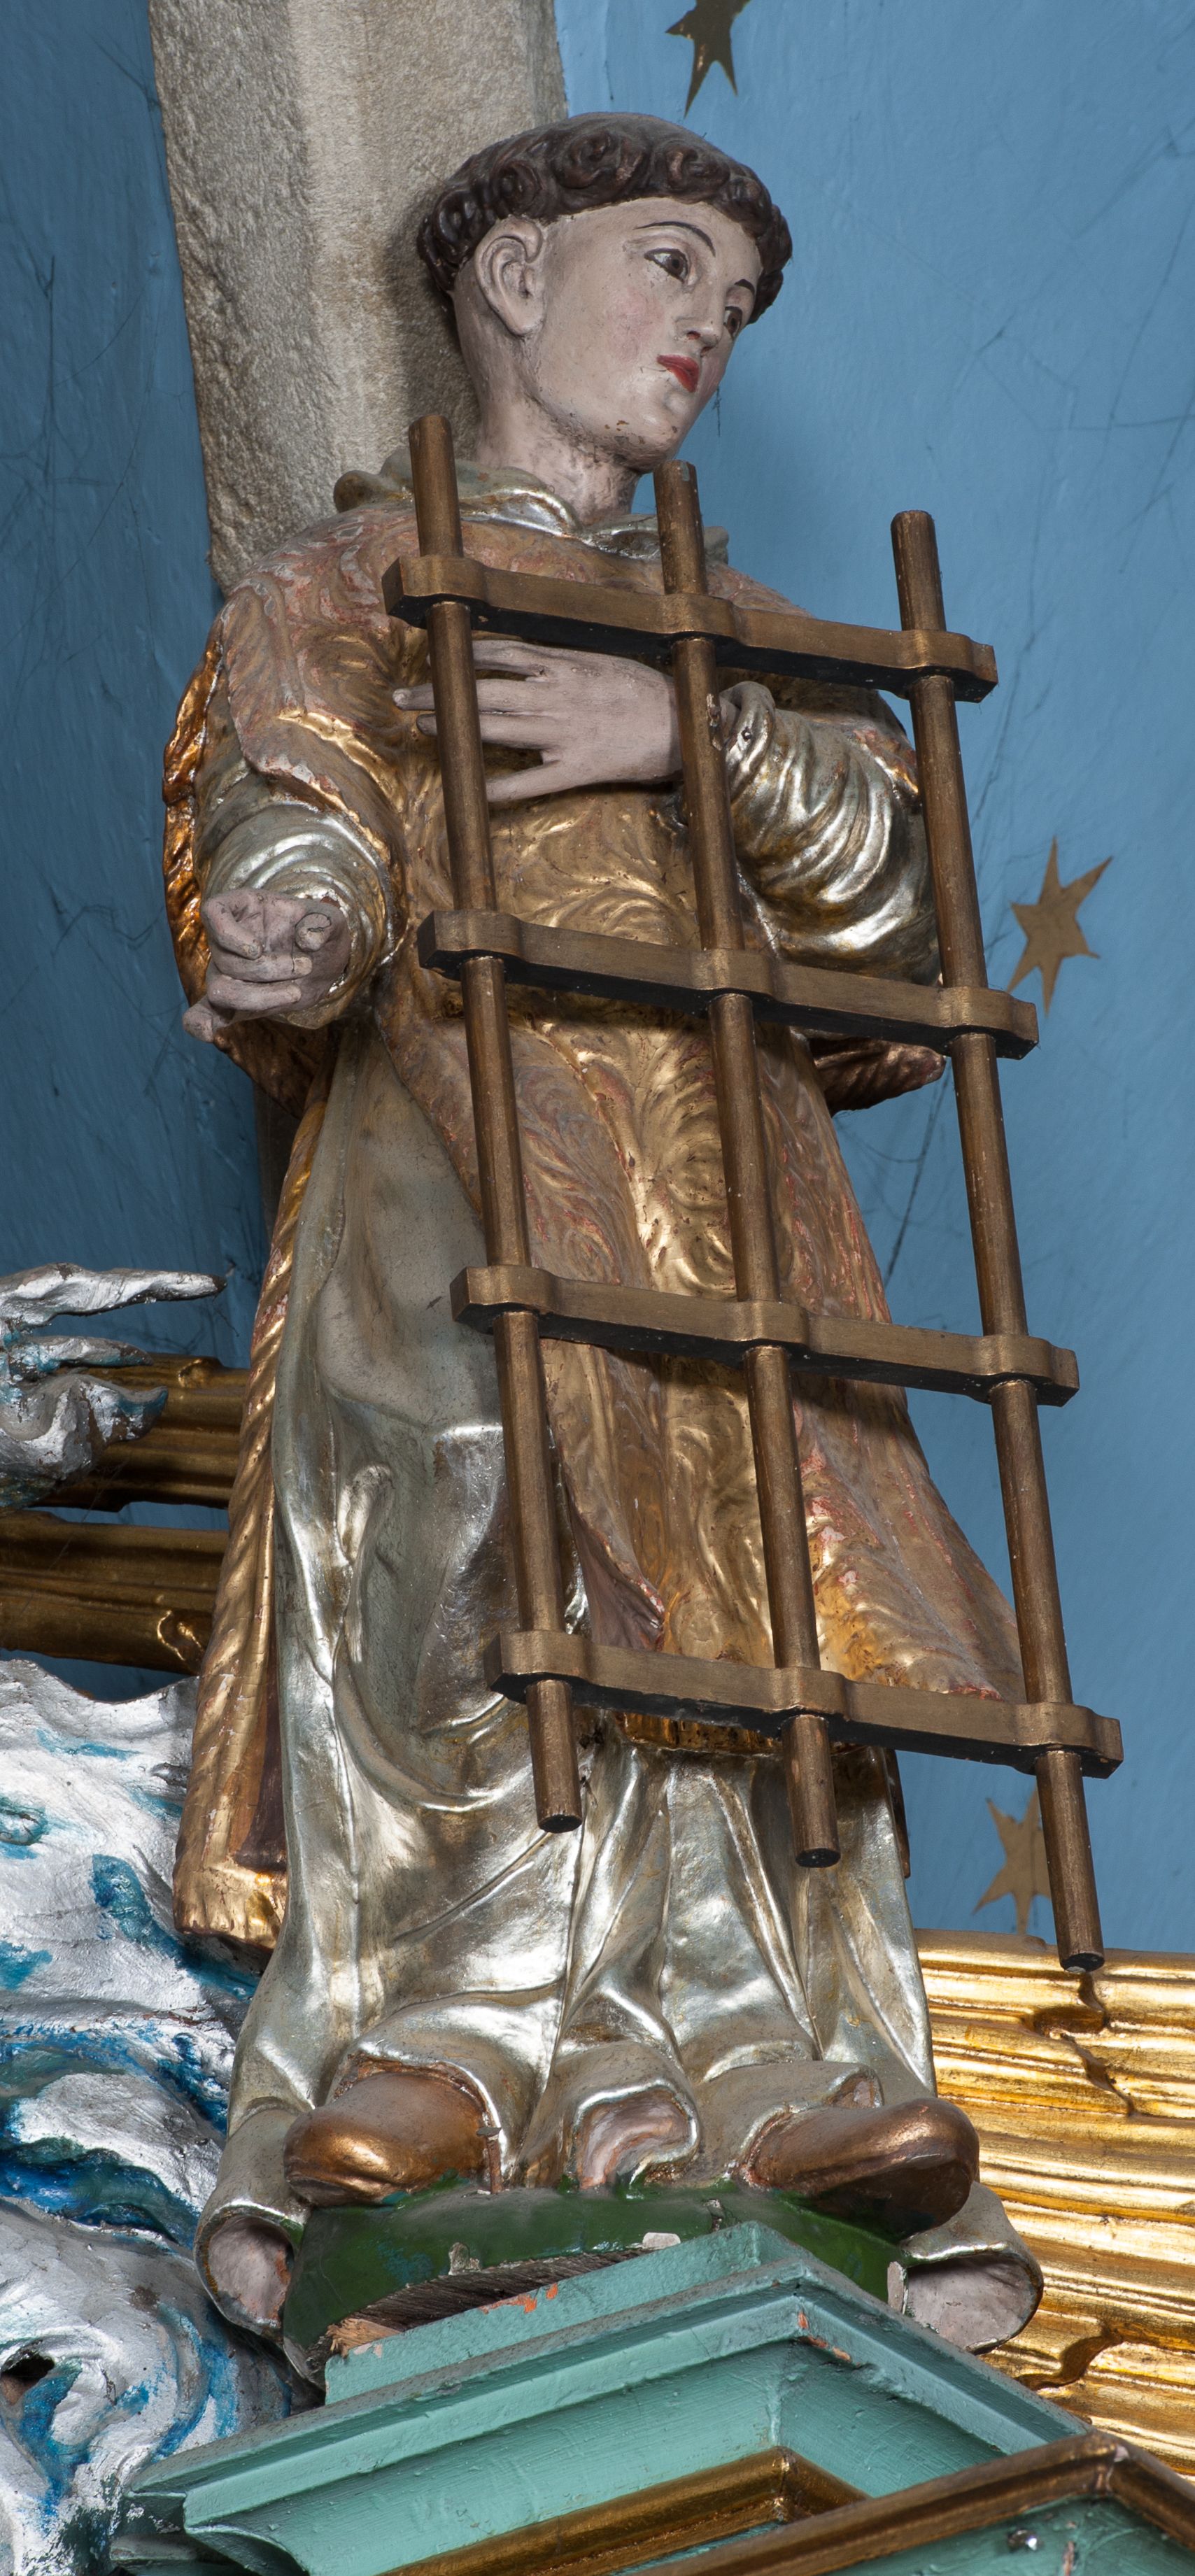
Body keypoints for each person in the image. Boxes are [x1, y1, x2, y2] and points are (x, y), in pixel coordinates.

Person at [168, 114, 1040, 2355]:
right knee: (473, 1535)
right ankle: (444, 2037)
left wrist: (692, 731)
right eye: (667, 263)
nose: (702, 329)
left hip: (718, 1187)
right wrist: (293, 909)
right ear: (509, 278)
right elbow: (301, 790)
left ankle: (751, 2065)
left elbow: (893, 922)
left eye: (732, 304)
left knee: (746, 1588)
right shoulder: (353, 581)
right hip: (454, 1149)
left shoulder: (730, 636)